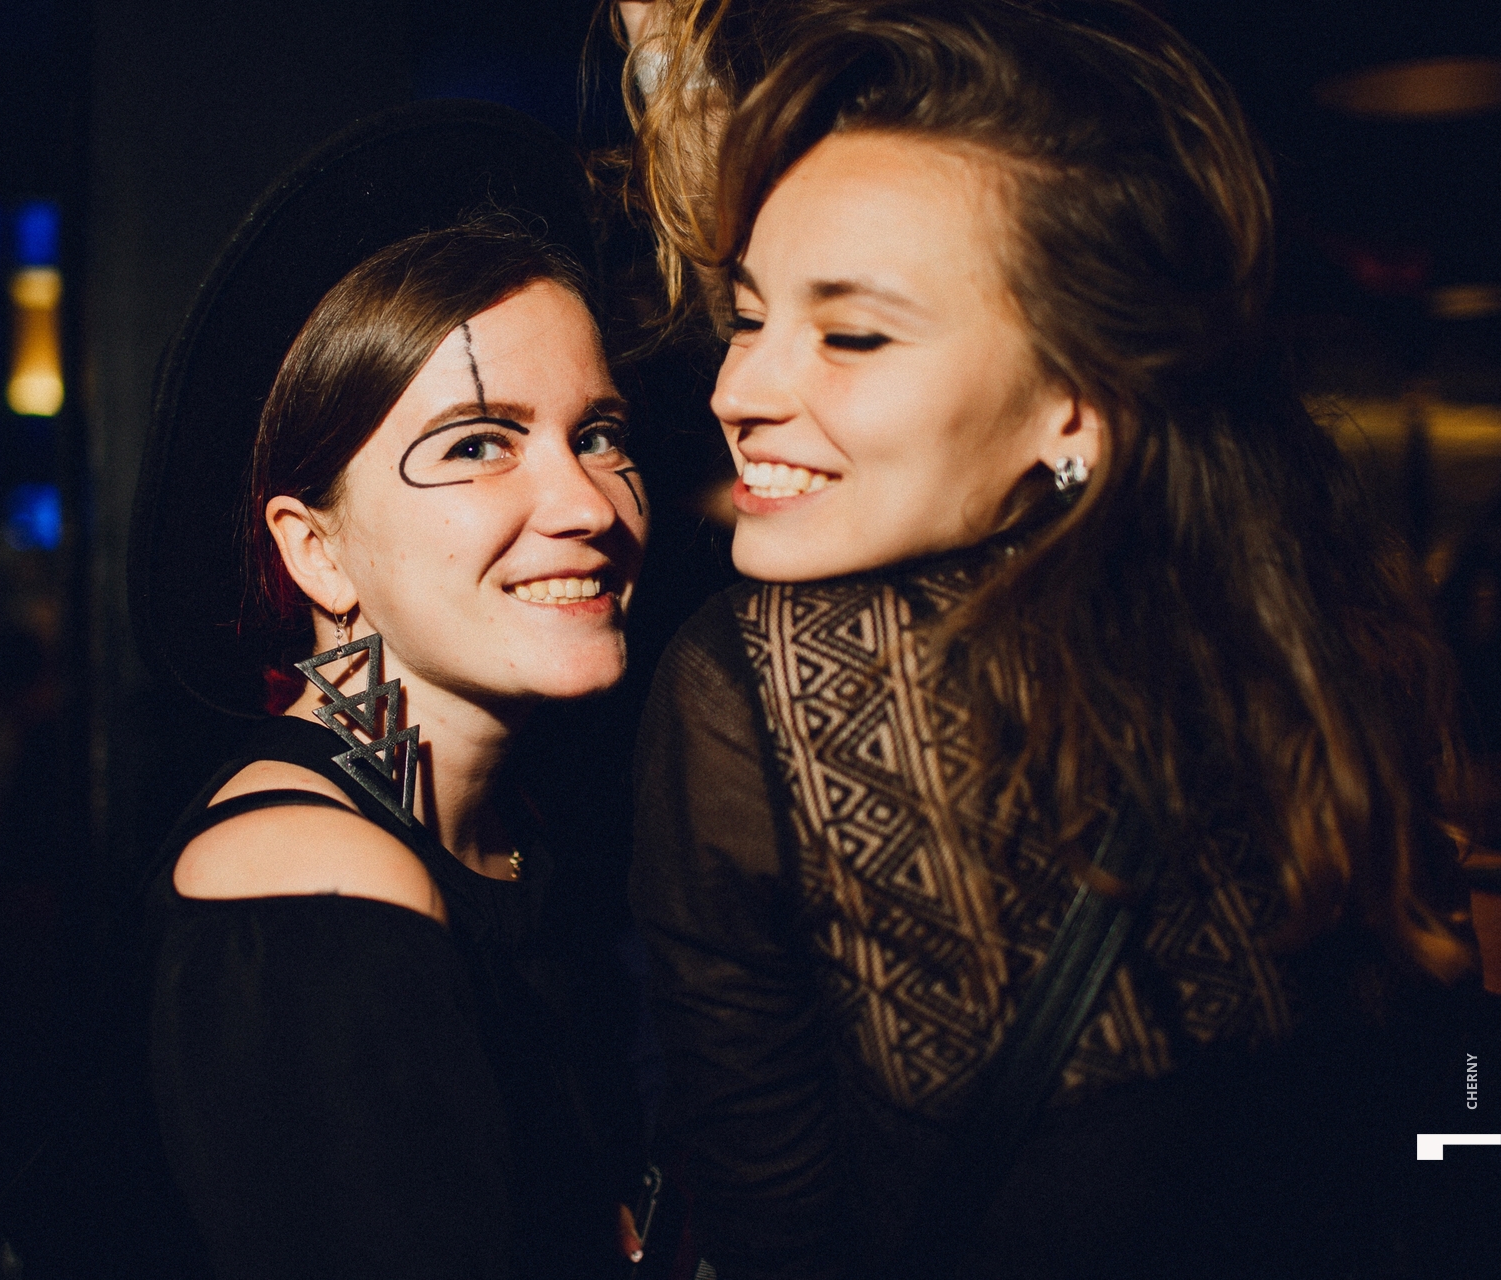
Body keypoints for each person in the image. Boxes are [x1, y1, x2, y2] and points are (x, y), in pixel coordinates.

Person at [622, 3, 1484, 1277]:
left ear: (1076, 405)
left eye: (851, 334)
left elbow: (1448, 1078)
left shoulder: (1300, 622)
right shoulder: (749, 701)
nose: (735, 390)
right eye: (751, 317)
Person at [129, 102, 652, 1279]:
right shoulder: (316, 888)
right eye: (478, 442)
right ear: (317, 551)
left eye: (598, 431)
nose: (587, 503)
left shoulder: (497, 824)